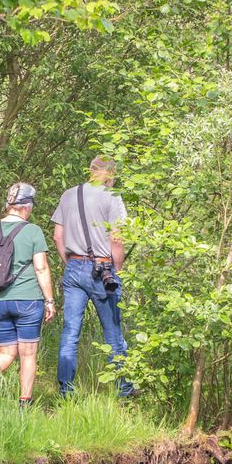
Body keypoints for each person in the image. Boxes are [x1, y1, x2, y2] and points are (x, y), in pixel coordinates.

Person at [52, 157, 135, 397]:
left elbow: (58, 236)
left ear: (91, 171)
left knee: (70, 332)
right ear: (110, 174)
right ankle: (124, 389)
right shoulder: (112, 196)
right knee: (113, 332)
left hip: (74, 267)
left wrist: (70, 262)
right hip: (103, 270)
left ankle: (66, 390)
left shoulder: (69, 195)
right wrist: (116, 270)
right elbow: (116, 239)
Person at [0, 182, 56, 409]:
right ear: (26, 206)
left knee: (6, 351)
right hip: (27, 300)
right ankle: (24, 405)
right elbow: (41, 268)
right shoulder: (33, 231)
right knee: (28, 354)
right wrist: (49, 300)